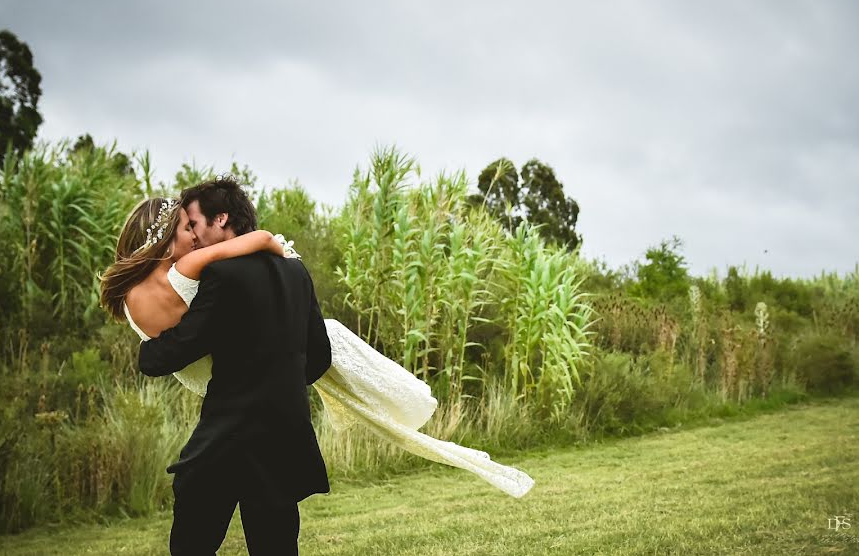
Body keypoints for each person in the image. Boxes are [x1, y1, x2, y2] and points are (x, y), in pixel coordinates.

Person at [101, 177, 535, 553]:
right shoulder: (295, 271)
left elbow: (177, 349)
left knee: (192, 545)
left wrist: (152, 354)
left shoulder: (218, 277)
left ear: (220, 222)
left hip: (227, 437)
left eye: (194, 225)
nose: (193, 236)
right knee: (276, 546)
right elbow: (318, 356)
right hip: (284, 431)